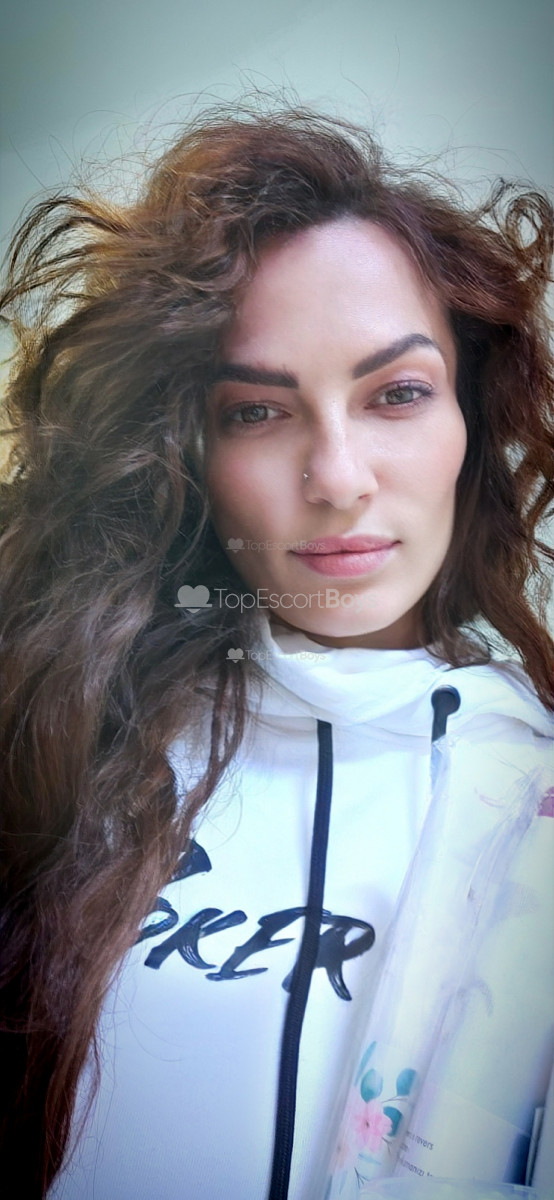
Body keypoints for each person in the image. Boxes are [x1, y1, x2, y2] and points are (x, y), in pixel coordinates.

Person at [0, 105, 552, 1200]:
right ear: (189, 453)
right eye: (258, 412)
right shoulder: (54, 738)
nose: (337, 478)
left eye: (397, 394)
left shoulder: (531, 791)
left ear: (469, 419)